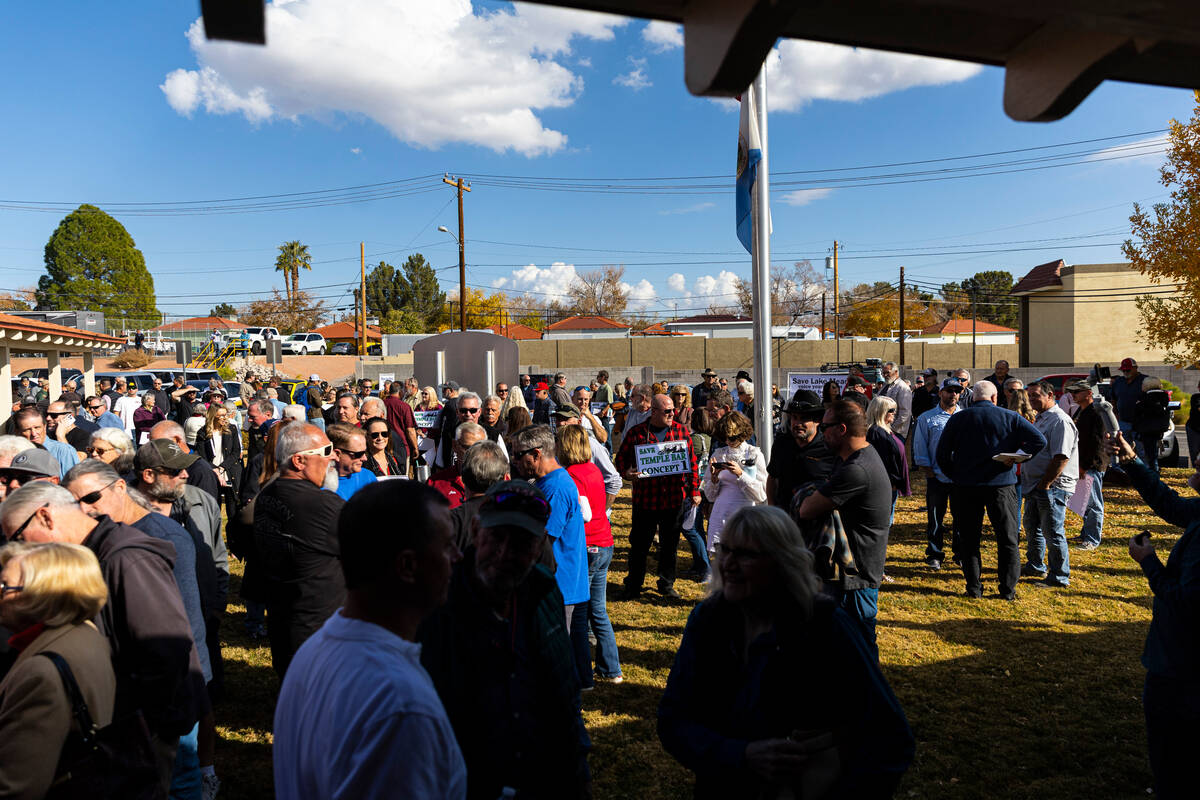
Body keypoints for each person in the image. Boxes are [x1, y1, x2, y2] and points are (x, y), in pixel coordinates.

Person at [658, 505, 915, 798]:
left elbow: (890, 738)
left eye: (745, 554)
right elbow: (673, 721)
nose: (727, 563)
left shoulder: (824, 625)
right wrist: (739, 754)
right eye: (724, 549)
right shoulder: (708, 621)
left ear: (782, 563)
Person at [0, 482, 206, 795]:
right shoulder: (95, 555)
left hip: (142, 735)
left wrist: (145, 729)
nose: (21, 551)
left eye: (18, 538)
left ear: (45, 517)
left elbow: (166, 647)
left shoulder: (125, 560)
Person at [274, 481, 465, 799]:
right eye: (447, 546)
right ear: (407, 566)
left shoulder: (313, 652)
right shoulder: (402, 706)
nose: (458, 556)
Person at [419, 480, 591, 799]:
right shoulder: (440, 599)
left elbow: (564, 691)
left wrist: (576, 774)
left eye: (522, 543)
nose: (505, 554)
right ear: (474, 530)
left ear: (540, 545)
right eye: (496, 537)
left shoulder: (543, 590)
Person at [1109, 431, 1200, 799]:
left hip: (1183, 663)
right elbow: (1171, 504)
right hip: (1180, 659)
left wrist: (1149, 563)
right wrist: (1132, 462)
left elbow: (1186, 600)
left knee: (1173, 744)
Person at [0, 542, 118, 800]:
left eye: (4, 587)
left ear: (39, 595)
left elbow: (17, 786)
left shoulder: (40, 673)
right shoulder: (85, 631)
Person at [794, 400, 894, 649]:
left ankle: (866, 687)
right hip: (849, 573)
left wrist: (805, 494)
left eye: (825, 426)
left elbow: (806, 509)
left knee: (857, 646)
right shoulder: (856, 458)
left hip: (854, 578)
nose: (820, 431)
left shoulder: (856, 469)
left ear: (841, 429)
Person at [936, 381, 1046, 600]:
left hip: (966, 486)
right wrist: (1016, 456)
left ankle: (974, 588)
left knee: (969, 540)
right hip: (1001, 485)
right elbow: (1039, 440)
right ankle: (1007, 590)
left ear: (972, 397)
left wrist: (955, 475)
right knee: (1007, 539)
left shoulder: (958, 418)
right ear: (995, 398)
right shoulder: (1010, 417)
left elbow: (941, 455)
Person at [254, 423, 345, 678]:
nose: (333, 457)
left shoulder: (268, 494)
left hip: (284, 619)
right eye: (326, 451)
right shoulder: (322, 504)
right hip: (320, 629)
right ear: (299, 460)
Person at [615, 392, 701, 600]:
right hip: (645, 500)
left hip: (673, 499)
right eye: (667, 411)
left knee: (669, 545)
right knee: (639, 545)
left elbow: (692, 464)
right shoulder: (637, 433)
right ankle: (634, 584)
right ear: (654, 412)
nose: (673, 414)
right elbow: (620, 460)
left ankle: (666, 582)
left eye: (673, 410)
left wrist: (695, 491)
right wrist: (627, 473)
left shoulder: (681, 432)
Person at [508, 425, 589, 638]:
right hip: (561, 586)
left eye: (517, 455)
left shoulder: (555, 489)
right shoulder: (549, 483)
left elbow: (541, 541)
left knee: (557, 654)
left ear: (536, 454)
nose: (514, 460)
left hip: (559, 588)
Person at [558, 424, 623, 685]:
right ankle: (611, 667)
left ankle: (582, 670)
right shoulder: (593, 469)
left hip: (589, 546)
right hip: (605, 542)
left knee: (580, 612)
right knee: (599, 610)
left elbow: (582, 513)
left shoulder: (572, 475)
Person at [1020, 381, 1079, 589]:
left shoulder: (1060, 421)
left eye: (1036, 395)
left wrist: (1045, 484)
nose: (1032, 399)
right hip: (1035, 485)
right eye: (1030, 396)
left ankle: (1059, 576)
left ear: (1050, 395)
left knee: (1053, 531)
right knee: (1033, 526)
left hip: (1052, 487)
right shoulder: (1041, 419)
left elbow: (1061, 457)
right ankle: (1035, 565)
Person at [913, 379, 963, 570]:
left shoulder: (964, 416)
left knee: (961, 518)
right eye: (949, 391)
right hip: (936, 477)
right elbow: (920, 446)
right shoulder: (927, 418)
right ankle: (934, 553)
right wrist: (929, 472)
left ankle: (960, 553)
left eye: (957, 391)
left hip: (960, 478)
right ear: (941, 393)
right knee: (935, 519)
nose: (953, 394)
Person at [702, 411, 767, 554]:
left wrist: (740, 474)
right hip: (721, 514)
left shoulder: (754, 454)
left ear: (742, 434)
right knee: (722, 562)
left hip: (745, 514)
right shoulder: (719, 454)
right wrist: (713, 479)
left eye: (732, 437)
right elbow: (710, 496)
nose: (728, 441)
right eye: (725, 437)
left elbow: (761, 495)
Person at [765, 391, 836, 511]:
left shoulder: (829, 447)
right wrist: (772, 508)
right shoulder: (782, 443)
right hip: (785, 519)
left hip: (817, 520)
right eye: (794, 418)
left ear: (817, 420)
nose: (797, 424)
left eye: (803, 419)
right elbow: (772, 477)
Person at [1065, 379, 1107, 551]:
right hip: (1083, 463)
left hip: (1092, 464)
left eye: (1077, 392)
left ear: (1089, 393)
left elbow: (1096, 444)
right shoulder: (1081, 412)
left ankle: (1092, 539)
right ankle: (1086, 533)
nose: (1073, 395)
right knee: (1084, 500)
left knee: (1093, 503)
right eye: (1072, 392)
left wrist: (1085, 466)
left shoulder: (1096, 413)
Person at [449, 440, 509, 552]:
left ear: (464, 478)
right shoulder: (521, 517)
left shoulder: (451, 520)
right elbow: (548, 565)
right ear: (505, 477)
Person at [150, 421, 222, 503]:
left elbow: (204, 510)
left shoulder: (200, 471)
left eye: (157, 443)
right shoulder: (164, 466)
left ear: (176, 440)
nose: (153, 449)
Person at [866, 394, 911, 520]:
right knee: (884, 520)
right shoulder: (876, 433)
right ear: (880, 411)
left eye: (895, 410)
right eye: (891, 410)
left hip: (890, 483)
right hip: (886, 484)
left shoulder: (884, 430)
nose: (894, 413)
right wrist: (892, 481)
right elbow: (882, 461)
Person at [428, 423, 487, 508]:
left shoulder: (496, 483)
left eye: (478, 447)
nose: (473, 453)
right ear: (455, 446)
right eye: (467, 447)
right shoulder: (435, 483)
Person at [13, 407, 77, 479]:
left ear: (44, 427)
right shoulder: (14, 453)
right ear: (17, 432)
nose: (34, 433)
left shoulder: (64, 451)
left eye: (37, 427)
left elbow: (73, 483)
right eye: (27, 430)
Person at [327, 422, 377, 501]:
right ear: (337, 454)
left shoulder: (367, 477)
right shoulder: (319, 485)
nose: (364, 458)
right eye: (359, 454)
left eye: (365, 452)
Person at [1134, 376, 1172, 473]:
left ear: (1147, 385)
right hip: (1159, 429)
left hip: (1147, 429)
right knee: (1153, 454)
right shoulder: (1164, 396)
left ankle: (1152, 475)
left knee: (1149, 455)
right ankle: (1153, 472)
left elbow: (1139, 410)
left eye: (1143, 384)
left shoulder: (1145, 397)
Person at [877, 361, 914, 439]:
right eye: (883, 373)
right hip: (883, 429)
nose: (885, 375)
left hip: (895, 432)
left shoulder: (902, 387)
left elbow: (905, 413)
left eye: (887, 372)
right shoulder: (885, 385)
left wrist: (892, 429)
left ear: (896, 372)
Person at [593, 370, 616, 446]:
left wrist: (602, 412)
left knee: (607, 435)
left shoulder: (607, 388)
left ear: (603, 377)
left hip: (604, 416)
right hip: (598, 415)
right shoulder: (600, 388)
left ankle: (610, 454)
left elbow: (609, 403)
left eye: (598, 376)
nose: (597, 378)